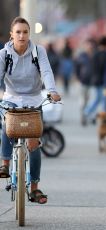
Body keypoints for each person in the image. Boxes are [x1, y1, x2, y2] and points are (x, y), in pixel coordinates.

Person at [0, 17, 61, 204]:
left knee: (34, 142)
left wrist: (52, 91)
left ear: (29, 34)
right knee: (6, 124)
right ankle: (5, 164)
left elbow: (47, 72)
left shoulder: (38, 51)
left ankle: (34, 188)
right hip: (11, 98)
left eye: (25, 32)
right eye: (18, 32)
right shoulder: (4, 54)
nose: (21, 35)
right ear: (12, 34)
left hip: (34, 99)